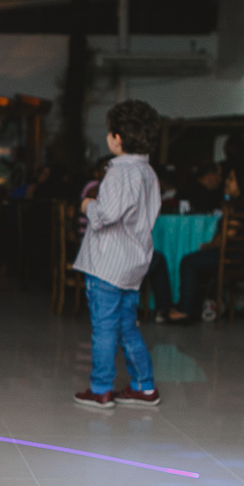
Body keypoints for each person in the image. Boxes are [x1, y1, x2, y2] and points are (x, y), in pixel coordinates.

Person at [73, 100, 162, 409]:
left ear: (118, 138)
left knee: (104, 328)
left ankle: (101, 389)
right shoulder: (148, 173)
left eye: (110, 132)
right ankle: (143, 385)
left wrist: (88, 205)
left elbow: (106, 215)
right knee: (126, 326)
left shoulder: (119, 171)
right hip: (133, 264)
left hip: (107, 265)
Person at [166, 165, 244, 322]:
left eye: (231, 179)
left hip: (233, 257)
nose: (226, 182)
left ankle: (184, 310)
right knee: (200, 261)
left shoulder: (240, 207)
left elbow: (227, 237)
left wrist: (207, 246)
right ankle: (194, 307)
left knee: (188, 261)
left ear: (242, 184)